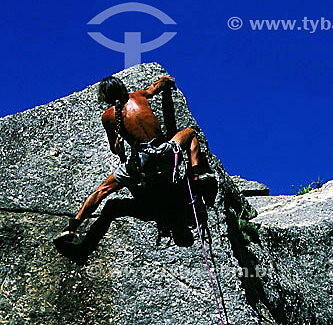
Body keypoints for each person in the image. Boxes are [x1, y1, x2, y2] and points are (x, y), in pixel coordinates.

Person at [54, 75, 216, 264]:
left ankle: (72, 228)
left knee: (102, 191)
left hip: (142, 165)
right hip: (166, 155)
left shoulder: (108, 117)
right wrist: (166, 81)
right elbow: (156, 88)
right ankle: (196, 176)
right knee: (190, 133)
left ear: (106, 97)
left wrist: (118, 139)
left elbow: (115, 150)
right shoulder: (139, 96)